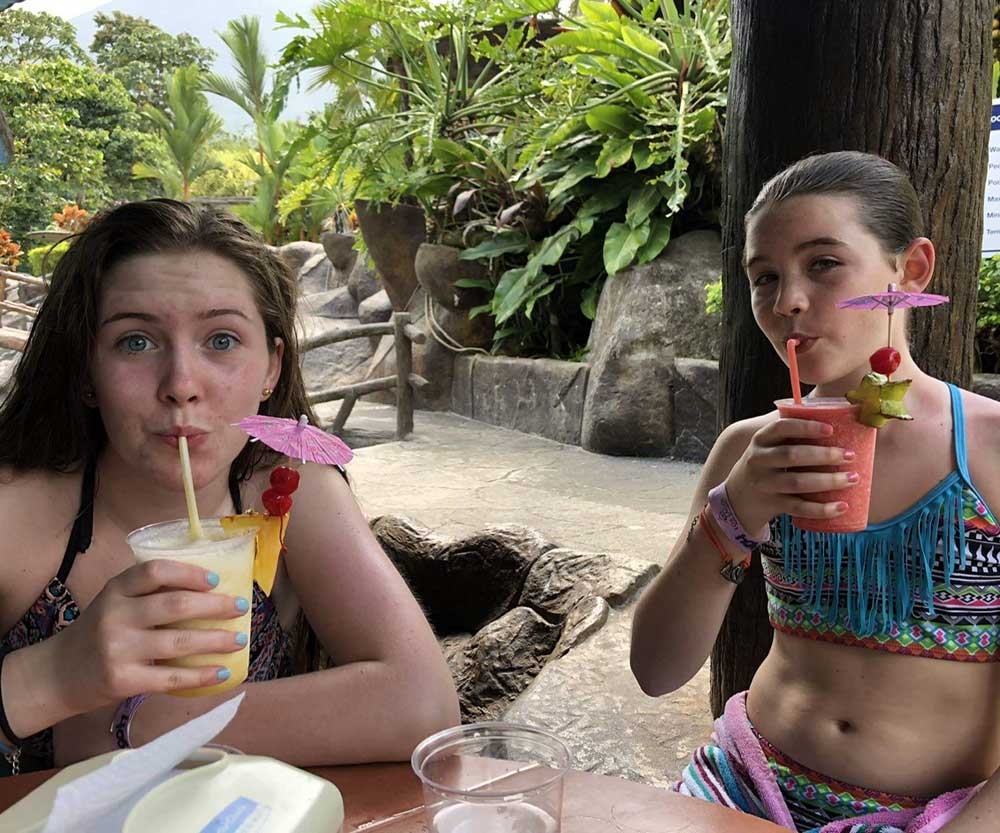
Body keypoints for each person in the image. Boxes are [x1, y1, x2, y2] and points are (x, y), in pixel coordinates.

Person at [0, 199, 459, 777]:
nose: (181, 386)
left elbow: (422, 705)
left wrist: (125, 723)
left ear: (271, 369)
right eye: (135, 342)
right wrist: (53, 677)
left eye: (220, 340)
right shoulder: (15, 511)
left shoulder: (289, 490)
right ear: (87, 372)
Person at [630, 152, 1000, 833]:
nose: (786, 301)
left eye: (823, 264)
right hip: (743, 786)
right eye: (763, 277)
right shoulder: (746, 451)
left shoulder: (989, 454)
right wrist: (729, 520)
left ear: (910, 271)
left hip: (932, 817)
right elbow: (656, 668)